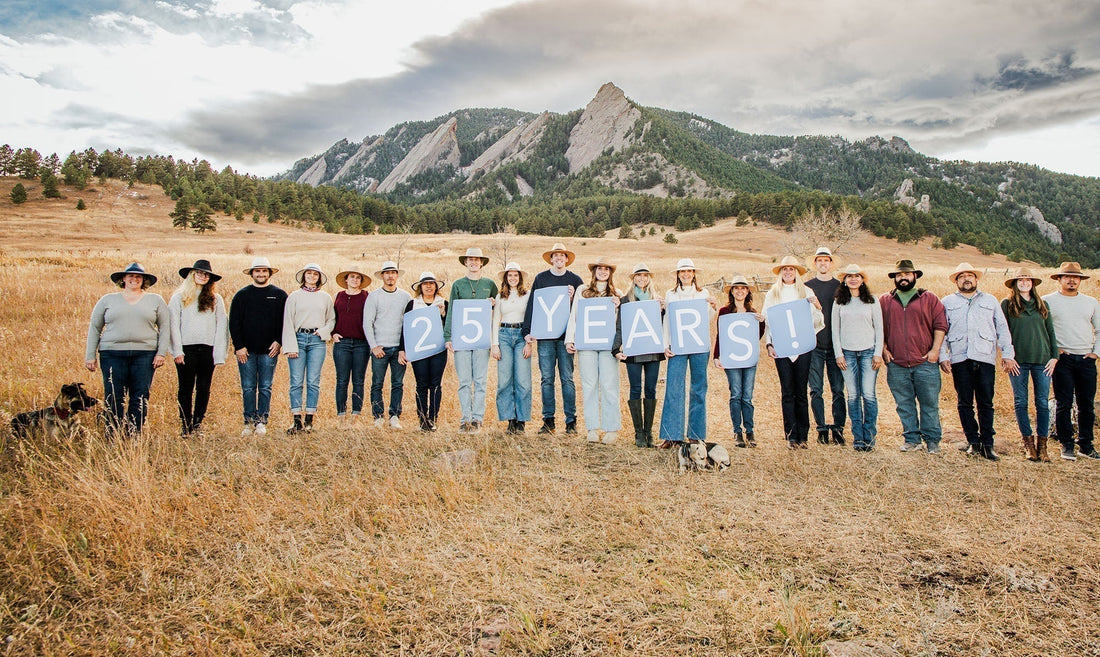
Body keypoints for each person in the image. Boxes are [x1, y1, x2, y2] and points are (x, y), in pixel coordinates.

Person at [939, 263, 1017, 461]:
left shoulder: (990, 301)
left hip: (984, 357)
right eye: (962, 276)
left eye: (970, 276)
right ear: (956, 281)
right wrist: (943, 356)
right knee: (964, 402)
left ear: (976, 279)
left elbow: (1002, 329)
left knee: (986, 403)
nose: (966, 279)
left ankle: (988, 445)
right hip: (959, 358)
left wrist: (1008, 354)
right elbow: (941, 331)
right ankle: (973, 442)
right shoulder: (947, 302)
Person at [84, 262, 170, 436]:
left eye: (138, 276)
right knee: (113, 395)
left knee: (139, 395)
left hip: (145, 355)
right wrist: (90, 355)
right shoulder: (108, 299)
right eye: (130, 276)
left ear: (144, 280)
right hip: (112, 354)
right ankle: (112, 433)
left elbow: (165, 327)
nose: (134, 279)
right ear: (123, 278)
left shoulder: (155, 300)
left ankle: (134, 433)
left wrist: (161, 353)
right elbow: (94, 327)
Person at [880, 260, 947, 455]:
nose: (903, 278)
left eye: (907, 274)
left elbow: (940, 325)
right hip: (897, 363)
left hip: (925, 361)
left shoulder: (929, 298)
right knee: (904, 404)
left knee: (929, 403)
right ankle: (911, 439)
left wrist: (935, 351)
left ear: (915, 276)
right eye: (899, 275)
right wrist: (884, 349)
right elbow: (879, 328)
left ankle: (933, 441)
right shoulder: (885, 300)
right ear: (895, 278)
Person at [523, 243, 585, 435]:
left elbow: (581, 310)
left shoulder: (575, 280)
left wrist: (574, 297)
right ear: (551, 259)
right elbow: (533, 305)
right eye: (555, 255)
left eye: (562, 255)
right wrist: (527, 331)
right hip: (545, 337)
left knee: (567, 379)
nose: (559, 258)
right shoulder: (541, 279)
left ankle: (571, 421)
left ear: (567, 259)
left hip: (565, 337)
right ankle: (548, 420)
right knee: (547, 379)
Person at [763, 255, 824, 449]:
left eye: (792, 269)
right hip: (782, 347)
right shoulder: (773, 293)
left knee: (801, 391)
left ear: (796, 272)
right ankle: (790, 435)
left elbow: (815, 320)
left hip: (802, 347)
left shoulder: (806, 291)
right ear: (780, 272)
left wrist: (816, 306)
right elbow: (768, 321)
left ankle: (803, 436)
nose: (788, 272)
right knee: (787, 391)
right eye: (785, 269)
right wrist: (769, 344)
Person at [1042, 262, 1100, 461]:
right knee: (1063, 403)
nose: (1071, 280)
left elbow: (1099, 329)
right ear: (1059, 279)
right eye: (1067, 277)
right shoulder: (1047, 301)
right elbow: (1041, 329)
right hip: (1062, 360)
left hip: (1086, 359)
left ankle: (1086, 444)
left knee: (1086, 404)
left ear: (1080, 280)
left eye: (1076, 277)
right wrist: (1054, 350)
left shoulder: (1090, 302)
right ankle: (1066, 444)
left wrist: (1096, 353)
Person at [1001, 268, 1059, 462]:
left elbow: (1050, 332)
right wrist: (1007, 356)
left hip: (1042, 360)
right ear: (1015, 283)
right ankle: (1028, 444)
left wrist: (1054, 357)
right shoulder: (1008, 304)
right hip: (1018, 361)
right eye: (1020, 280)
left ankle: (1043, 446)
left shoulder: (1043, 304)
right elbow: (1003, 332)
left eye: (1028, 280)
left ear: (1032, 283)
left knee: (1042, 402)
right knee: (1020, 402)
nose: (1024, 283)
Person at [659, 258, 717, 448]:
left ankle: (696, 434)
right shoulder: (670, 294)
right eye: (682, 271)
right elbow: (667, 320)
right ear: (678, 274)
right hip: (678, 346)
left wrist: (713, 307)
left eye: (689, 271)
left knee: (698, 388)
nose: (686, 274)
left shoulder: (703, 293)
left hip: (699, 346)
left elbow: (705, 319)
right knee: (674, 387)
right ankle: (672, 435)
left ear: (694, 274)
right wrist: (665, 343)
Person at [168, 259, 229, 436]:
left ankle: (197, 422)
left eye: (206, 274)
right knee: (185, 388)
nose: (203, 276)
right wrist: (177, 350)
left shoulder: (215, 299)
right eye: (199, 273)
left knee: (204, 387)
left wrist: (218, 354)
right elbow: (173, 325)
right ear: (192, 275)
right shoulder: (179, 297)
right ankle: (185, 423)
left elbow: (221, 326)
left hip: (207, 349)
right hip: (186, 349)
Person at [566, 257, 622, 444]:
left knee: (609, 386)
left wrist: (617, 307)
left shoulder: (616, 293)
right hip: (587, 344)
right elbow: (574, 315)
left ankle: (611, 428)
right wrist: (570, 339)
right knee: (589, 386)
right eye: (600, 268)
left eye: (607, 269)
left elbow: (619, 323)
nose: (603, 271)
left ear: (610, 272)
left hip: (607, 346)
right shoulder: (583, 291)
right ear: (594, 271)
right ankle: (592, 427)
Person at [229, 257, 287, 436]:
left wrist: (279, 341)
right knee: (247, 387)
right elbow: (234, 322)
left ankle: (261, 420)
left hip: (269, 350)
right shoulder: (242, 295)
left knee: (265, 386)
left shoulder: (279, 295)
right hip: (246, 350)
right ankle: (248, 422)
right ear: (252, 273)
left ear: (269, 273)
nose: (261, 274)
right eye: (257, 271)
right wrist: (239, 346)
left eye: (264, 271)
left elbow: (285, 321)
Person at [445, 247, 498, 433]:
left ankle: (477, 418)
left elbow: (499, 309)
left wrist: (493, 304)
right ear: (465, 263)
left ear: (482, 262)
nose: (474, 262)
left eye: (477, 259)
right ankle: (465, 418)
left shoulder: (489, 284)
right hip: (462, 338)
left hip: (482, 338)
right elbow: (452, 309)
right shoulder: (458, 285)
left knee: (481, 380)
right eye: (470, 259)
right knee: (464, 381)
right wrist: (448, 336)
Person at [831, 264, 883, 452]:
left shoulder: (872, 300)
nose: (853, 279)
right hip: (848, 353)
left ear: (862, 280)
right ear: (844, 280)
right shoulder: (839, 302)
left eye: (857, 276)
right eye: (849, 276)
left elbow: (879, 328)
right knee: (853, 396)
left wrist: (878, 353)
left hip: (869, 351)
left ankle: (869, 437)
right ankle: (858, 438)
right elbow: (835, 330)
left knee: (868, 395)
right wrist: (839, 354)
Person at [282, 263, 335, 434]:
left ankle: (309, 419)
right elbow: (288, 322)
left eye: (315, 274)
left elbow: (331, 320)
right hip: (298, 338)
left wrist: (324, 331)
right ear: (304, 276)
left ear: (319, 278)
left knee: (313, 380)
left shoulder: (325, 297)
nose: (312, 276)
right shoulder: (294, 297)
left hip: (316, 340)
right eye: (309, 273)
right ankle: (296, 420)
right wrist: (290, 346)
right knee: (296, 380)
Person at [712, 274, 764, 448]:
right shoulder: (724, 312)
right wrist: (716, 356)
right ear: (732, 291)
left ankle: (750, 430)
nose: (739, 291)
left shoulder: (752, 312)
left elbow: (756, 336)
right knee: (736, 394)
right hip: (731, 358)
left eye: (743, 288)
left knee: (747, 396)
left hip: (748, 358)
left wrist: (762, 323)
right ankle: (737, 431)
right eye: (736, 288)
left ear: (747, 291)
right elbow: (721, 335)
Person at [615, 263, 665, 448]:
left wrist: (664, 310)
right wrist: (616, 349)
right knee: (635, 388)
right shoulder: (625, 300)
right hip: (633, 351)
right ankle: (638, 433)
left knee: (651, 389)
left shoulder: (656, 300)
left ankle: (649, 432)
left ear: (649, 278)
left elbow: (662, 325)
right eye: (638, 276)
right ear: (633, 279)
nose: (642, 279)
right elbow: (620, 326)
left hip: (652, 350)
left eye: (645, 275)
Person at [804, 246, 847, 444]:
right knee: (816, 389)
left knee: (838, 389)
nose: (823, 263)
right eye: (819, 260)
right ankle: (821, 428)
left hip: (836, 347)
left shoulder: (840, 286)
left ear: (830, 263)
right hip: (814, 346)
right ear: (815, 263)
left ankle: (838, 428)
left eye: (826, 260)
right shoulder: (806, 287)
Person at [362, 261, 412, 429]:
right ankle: (378, 416)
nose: (390, 276)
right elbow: (367, 323)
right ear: (382, 276)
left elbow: (410, 322)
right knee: (377, 382)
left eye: (393, 273)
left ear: (397, 276)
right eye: (387, 273)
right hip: (380, 349)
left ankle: (394, 415)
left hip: (399, 349)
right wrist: (374, 346)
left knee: (397, 383)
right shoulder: (374, 296)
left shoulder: (405, 297)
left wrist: (404, 349)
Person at [399, 272, 448, 431]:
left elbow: (450, 327)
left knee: (435, 384)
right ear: (420, 287)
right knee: (421, 384)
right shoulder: (413, 304)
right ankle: (422, 418)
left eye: (431, 283)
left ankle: (433, 418)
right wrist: (402, 349)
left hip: (438, 349)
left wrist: (443, 315)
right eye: (425, 284)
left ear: (436, 286)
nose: (428, 286)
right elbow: (405, 328)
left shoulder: (444, 303)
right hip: (418, 349)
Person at [491, 262, 532, 435]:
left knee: (522, 380)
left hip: (522, 335)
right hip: (504, 335)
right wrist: (495, 344)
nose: (513, 278)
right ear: (506, 278)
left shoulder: (528, 295)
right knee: (505, 380)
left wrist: (529, 343)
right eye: (510, 275)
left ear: (520, 277)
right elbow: (495, 321)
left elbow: (532, 318)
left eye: (516, 275)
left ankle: (521, 420)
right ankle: (510, 419)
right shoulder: (501, 296)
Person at [332, 267, 372, 422]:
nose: (355, 280)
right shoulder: (339, 296)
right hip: (342, 343)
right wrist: (333, 333)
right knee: (342, 380)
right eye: (352, 277)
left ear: (361, 282)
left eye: (358, 278)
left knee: (358, 380)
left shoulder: (366, 297)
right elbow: (331, 317)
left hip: (361, 343)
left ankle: (355, 416)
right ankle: (341, 416)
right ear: (346, 280)